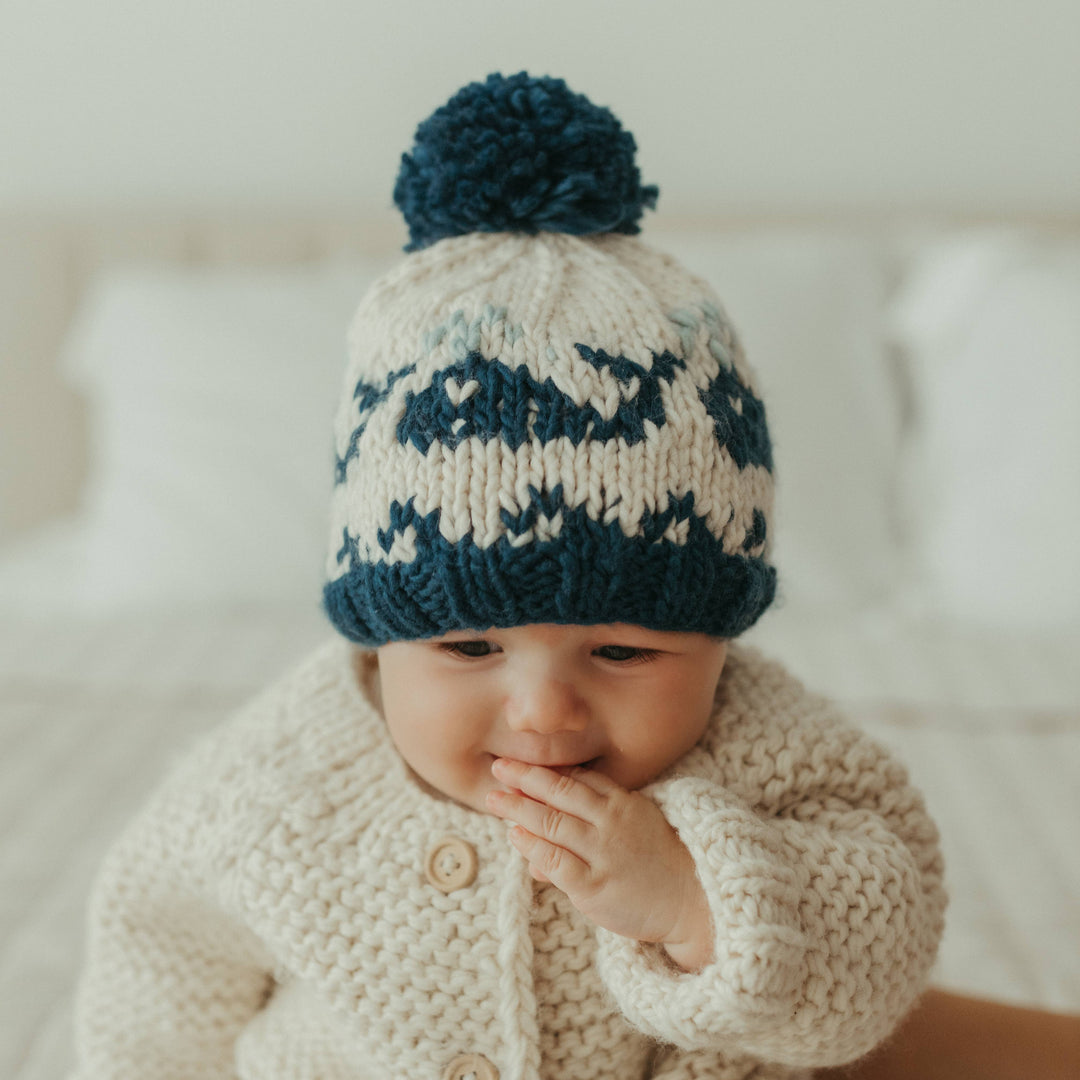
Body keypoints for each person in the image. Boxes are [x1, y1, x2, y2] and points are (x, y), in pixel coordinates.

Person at [67, 71, 948, 1080]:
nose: (542, 711)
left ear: (717, 640)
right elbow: (155, 985)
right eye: (468, 645)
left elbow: (885, 934)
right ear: (381, 636)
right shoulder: (274, 787)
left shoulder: (764, 753)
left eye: (622, 649)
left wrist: (693, 900)